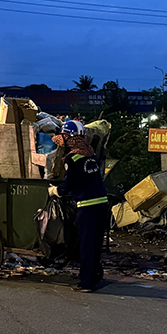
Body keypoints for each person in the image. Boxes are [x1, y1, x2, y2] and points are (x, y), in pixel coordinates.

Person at [48, 119, 109, 292]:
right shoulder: (90, 154)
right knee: (96, 244)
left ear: (70, 138)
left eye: (65, 138)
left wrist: (56, 191)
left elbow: (70, 184)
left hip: (87, 207)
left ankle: (86, 283)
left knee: (86, 245)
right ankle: (94, 276)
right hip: (102, 204)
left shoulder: (72, 159)